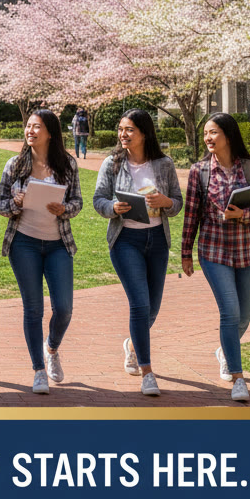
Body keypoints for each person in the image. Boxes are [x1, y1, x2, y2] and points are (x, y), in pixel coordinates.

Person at [181, 113, 250, 403]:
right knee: (230, 312)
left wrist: (244, 215)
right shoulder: (199, 171)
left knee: (242, 318)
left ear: (228, 135)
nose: (208, 138)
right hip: (213, 250)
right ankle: (237, 377)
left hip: (248, 251)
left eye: (214, 132)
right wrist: (186, 253)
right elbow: (191, 214)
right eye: (205, 133)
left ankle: (224, 349)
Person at [93, 109, 183, 396]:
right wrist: (112, 208)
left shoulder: (164, 164)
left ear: (144, 133)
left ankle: (131, 345)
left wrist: (165, 200)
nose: (123, 134)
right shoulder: (111, 163)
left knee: (152, 308)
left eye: (129, 129)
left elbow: (178, 203)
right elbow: (99, 199)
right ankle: (147, 371)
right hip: (125, 240)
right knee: (140, 305)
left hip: (157, 239)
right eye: (121, 129)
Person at [0, 109, 82, 395]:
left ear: (50, 132)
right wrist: (16, 203)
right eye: (28, 126)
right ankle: (38, 370)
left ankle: (52, 348)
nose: (30, 131)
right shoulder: (15, 164)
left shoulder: (67, 164)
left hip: (58, 244)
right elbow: (1, 204)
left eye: (37, 127)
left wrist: (64, 209)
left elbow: (77, 202)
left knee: (64, 308)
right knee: (33, 309)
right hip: (24, 243)